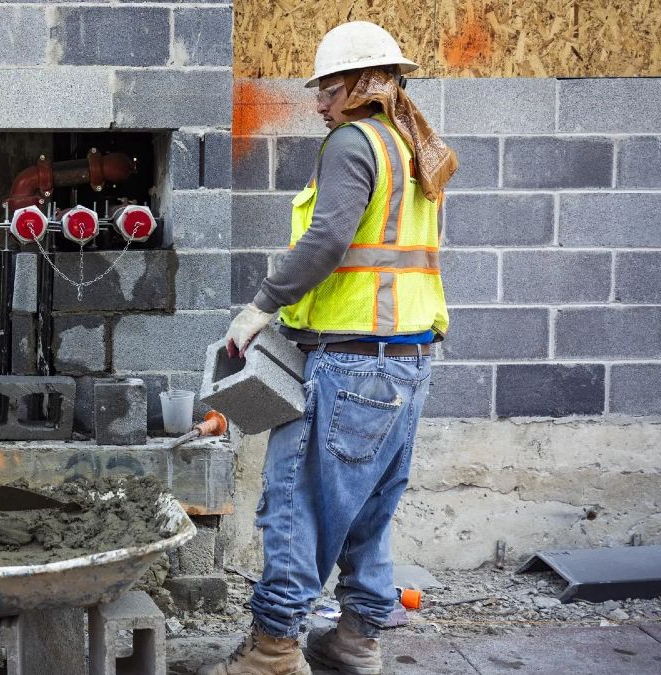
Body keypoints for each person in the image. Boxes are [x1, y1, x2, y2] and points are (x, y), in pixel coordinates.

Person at [201, 21, 457, 675]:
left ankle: (274, 648)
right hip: (406, 361)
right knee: (370, 510)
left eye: (326, 89)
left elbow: (325, 241)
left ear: (359, 86)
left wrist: (260, 306)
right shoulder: (409, 148)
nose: (317, 103)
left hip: (351, 363)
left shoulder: (353, 141)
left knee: (295, 501)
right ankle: (355, 639)